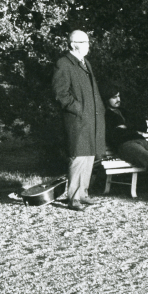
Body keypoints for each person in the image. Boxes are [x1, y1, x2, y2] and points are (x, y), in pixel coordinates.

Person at [52, 30, 105, 212]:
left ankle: (83, 193)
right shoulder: (64, 64)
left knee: (89, 156)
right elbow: (60, 94)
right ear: (74, 44)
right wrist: (79, 110)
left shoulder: (85, 62)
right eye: (85, 42)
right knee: (78, 156)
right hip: (77, 119)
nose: (88, 45)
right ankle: (73, 197)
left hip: (91, 118)